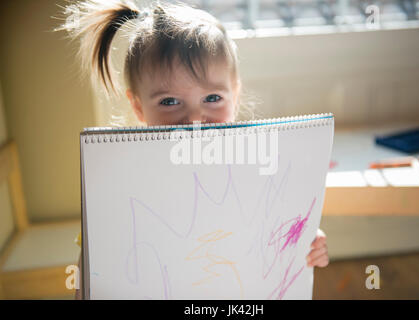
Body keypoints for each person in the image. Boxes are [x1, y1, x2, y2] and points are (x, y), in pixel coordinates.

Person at [56, 0, 329, 299]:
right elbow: (93, 276)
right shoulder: (120, 183)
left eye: (212, 97)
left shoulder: (256, 167)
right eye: (170, 102)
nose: (195, 119)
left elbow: (270, 237)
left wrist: (305, 243)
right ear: (138, 106)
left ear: (234, 95)